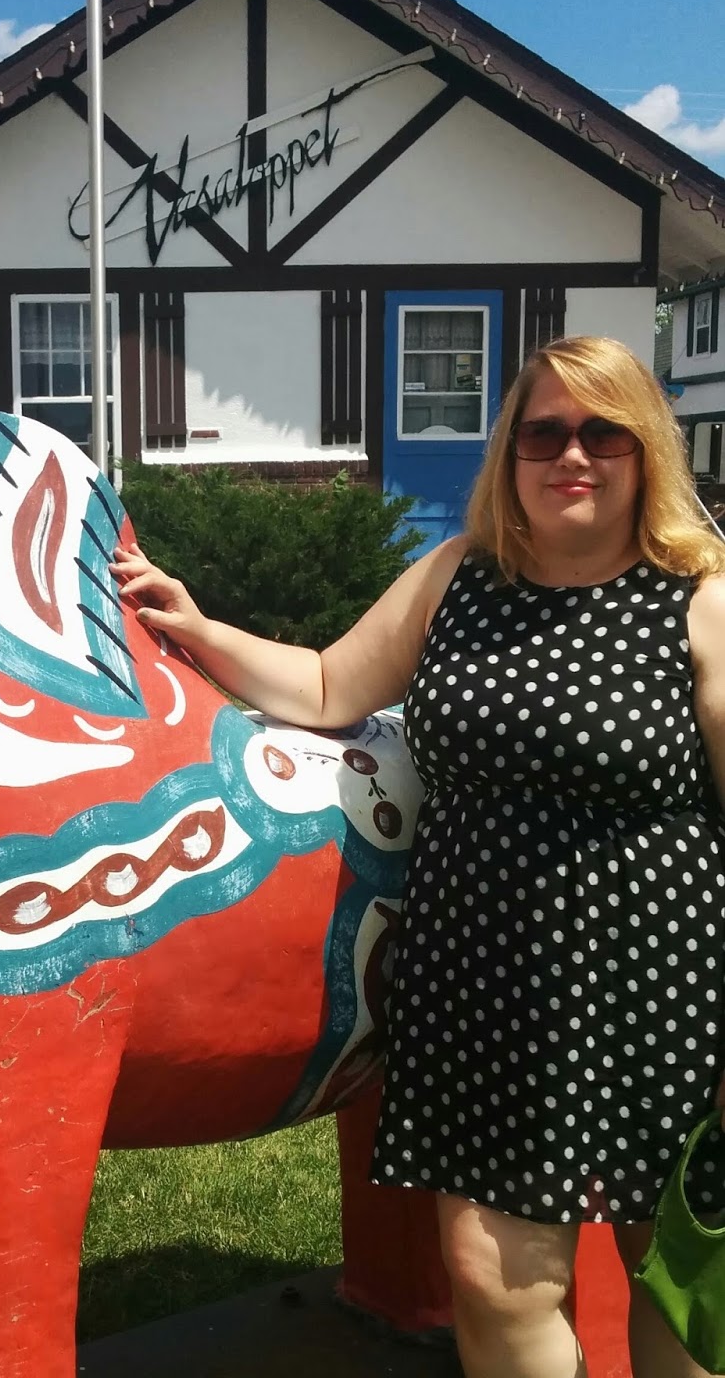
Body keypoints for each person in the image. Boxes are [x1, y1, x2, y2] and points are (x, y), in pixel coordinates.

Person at [110, 336, 725, 1378]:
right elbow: (321, 684)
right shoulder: (458, 578)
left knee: (672, 1291)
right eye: (545, 431)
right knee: (492, 1277)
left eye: (603, 430)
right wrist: (199, 626)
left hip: (659, 990)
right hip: (482, 989)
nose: (572, 453)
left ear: (646, 450)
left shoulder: (701, 601)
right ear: (512, 453)